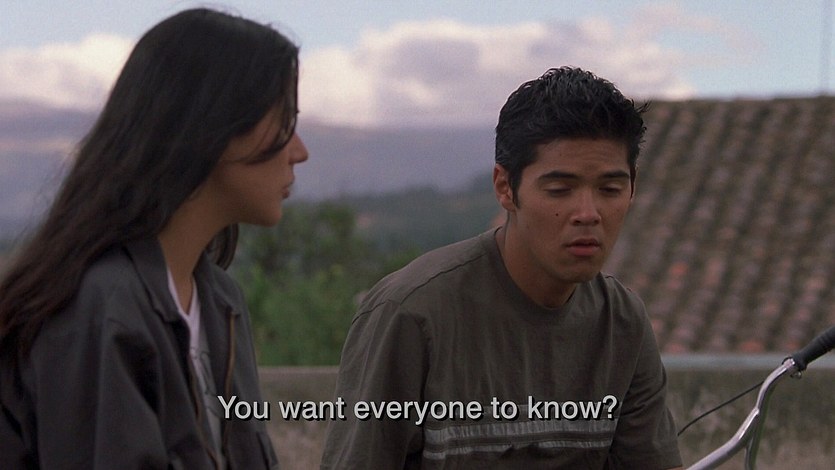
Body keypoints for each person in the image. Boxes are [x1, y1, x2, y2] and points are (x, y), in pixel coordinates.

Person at [320, 67, 682, 469]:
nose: (588, 213)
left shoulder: (621, 323)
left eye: (610, 190)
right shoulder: (412, 314)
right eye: (559, 190)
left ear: (632, 187)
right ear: (505, 187)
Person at [0, 8, 307, 469]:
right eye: (284, 123)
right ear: (213, 127)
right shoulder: (102, 308)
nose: (299, 151)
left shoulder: (220, 301)